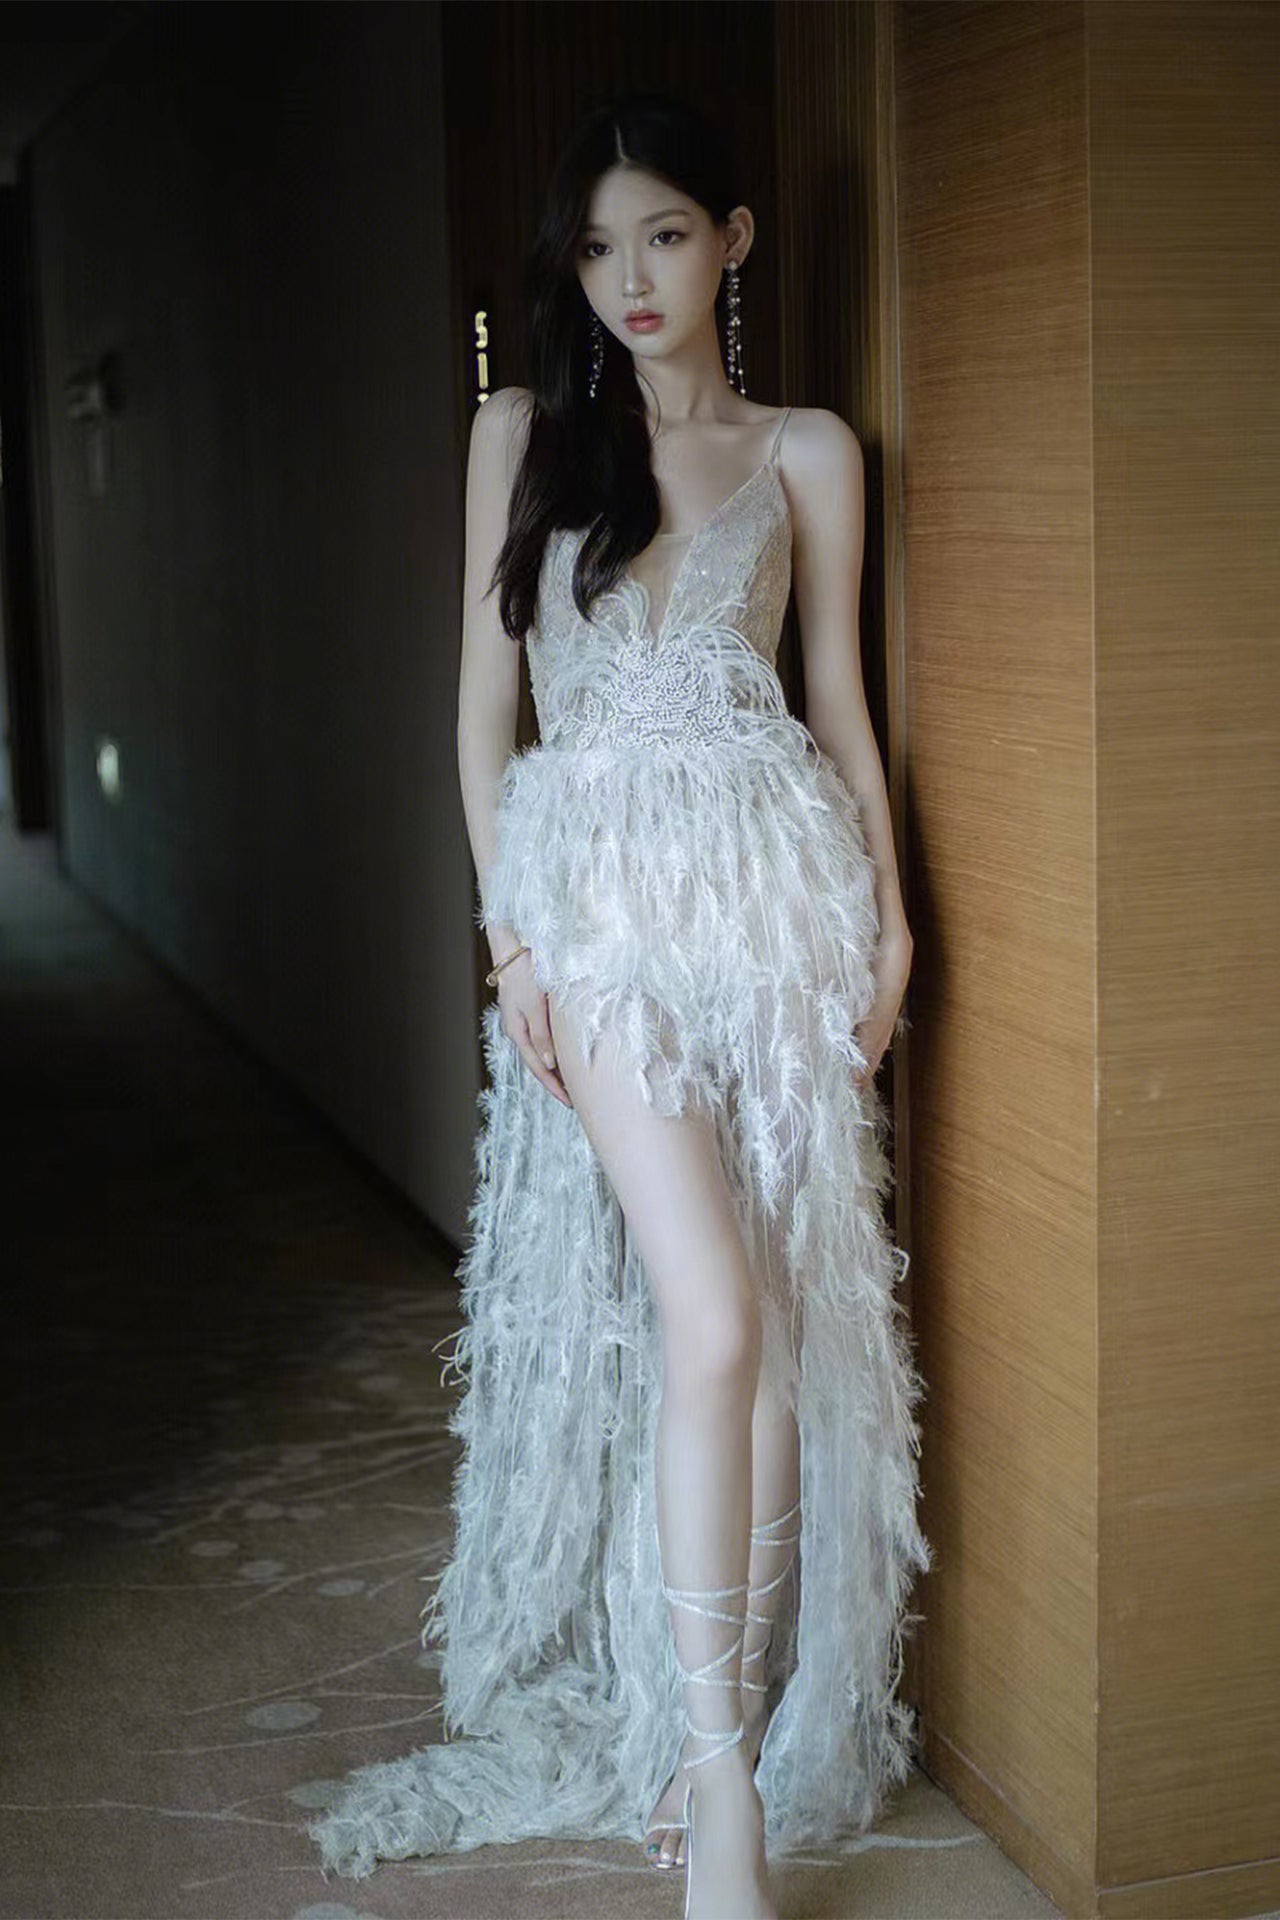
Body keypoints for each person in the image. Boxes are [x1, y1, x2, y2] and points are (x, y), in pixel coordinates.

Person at [309, 91, 931, 1920]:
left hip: (775, 909)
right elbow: (480, 714)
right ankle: (715, 1778)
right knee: (714, 1316)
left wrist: (893, 923)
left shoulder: (807, 452)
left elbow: (839, 705)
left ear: (734, 239)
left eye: (664, 234)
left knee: (767, 1342)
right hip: (596, 928)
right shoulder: (520, 432)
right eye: (597, 247)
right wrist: (514, 948)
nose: (631, 279)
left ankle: (724, 1734)